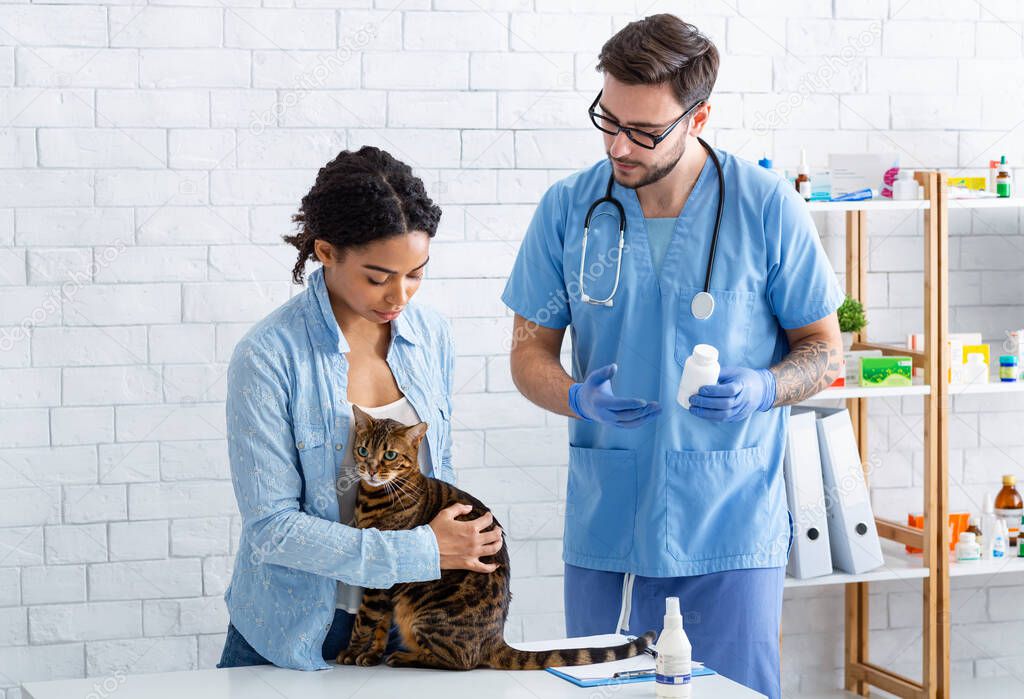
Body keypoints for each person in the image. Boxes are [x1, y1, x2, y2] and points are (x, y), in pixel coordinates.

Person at [501, 15, 844, 699]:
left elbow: (824, 348)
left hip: (729, 520)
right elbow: (526, 351)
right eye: (608, 119)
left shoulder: (765, 206)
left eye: (644, 130)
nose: (618, 144)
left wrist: (766, 387)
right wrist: (574, 394)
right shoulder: (570, 207)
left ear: (699, 116)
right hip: (608, 524)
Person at [218, 146, 503, 670]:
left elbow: (431, 474)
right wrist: (423, 550)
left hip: (410, 621)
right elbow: (272, 528)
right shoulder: (268, 357)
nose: (400, 295)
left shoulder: (431, 334)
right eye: (378, 277)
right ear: (326, 252)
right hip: (295, 633)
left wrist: (461, 546)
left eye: (416, 273)